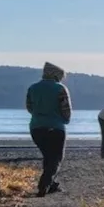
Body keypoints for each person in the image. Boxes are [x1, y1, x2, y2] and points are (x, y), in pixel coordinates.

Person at [25, 62, 71, 197]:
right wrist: (66, 120)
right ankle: (43, 185)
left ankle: (52, 184)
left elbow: (29, 107)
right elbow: (66, 109)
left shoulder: (32, 88)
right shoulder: (60, 88)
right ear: (57, 75)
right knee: (56, 158)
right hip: (55, 127)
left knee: (48, 156)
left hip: (36, 127)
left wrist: (40, 115)